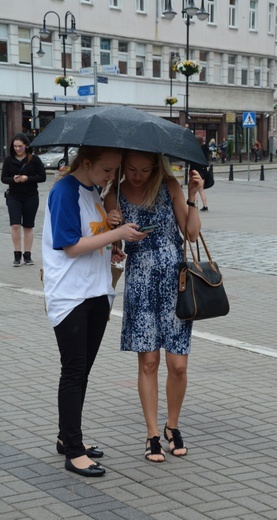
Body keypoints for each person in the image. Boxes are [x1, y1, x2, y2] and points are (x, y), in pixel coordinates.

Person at [42, 146, 145, 477]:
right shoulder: (64, 191)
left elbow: (91, 236)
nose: (111, 177)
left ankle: (67, 437)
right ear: (86, 163)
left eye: (115, 170)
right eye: (106, 170)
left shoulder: (92, 191)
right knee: (73, 372)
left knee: (81, 371)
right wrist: (117, 232)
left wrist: (109, 229)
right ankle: (73, 451)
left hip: (96, 291)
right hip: (71, 295)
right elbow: (70, 246)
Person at [104, 150, 203, 463]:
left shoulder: (170, 186)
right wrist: (112, 226)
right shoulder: (114, 193)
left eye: (144, 169)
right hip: (140, 284)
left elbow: (191, 232)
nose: (137, 175)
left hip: (176, 283)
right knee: (148, 362)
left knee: (178, 364)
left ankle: (172, 425)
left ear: (155, 167)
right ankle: (151, 434)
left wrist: (192, 197)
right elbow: (113, 245)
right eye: (131, 168)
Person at [1, 132, 46, 266]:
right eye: (15, 146)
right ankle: (17, 255)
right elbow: (3, 178)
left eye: (20, 146)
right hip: (14, 196)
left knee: (28, 226)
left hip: (31, 196)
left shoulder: (34, 159)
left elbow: (42, 177)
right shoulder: (9, 160)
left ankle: (27, 255)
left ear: (26, 145)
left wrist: (28, 178)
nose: (17, 149)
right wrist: (13, 180)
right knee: (15, 225)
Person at [190, 135, 209, 212]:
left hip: (195, 170)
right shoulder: (205, 149)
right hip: (203, 170)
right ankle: (205, 205)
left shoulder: (194, 149)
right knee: (201, 190)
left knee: (195, 189)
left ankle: (195, 205)